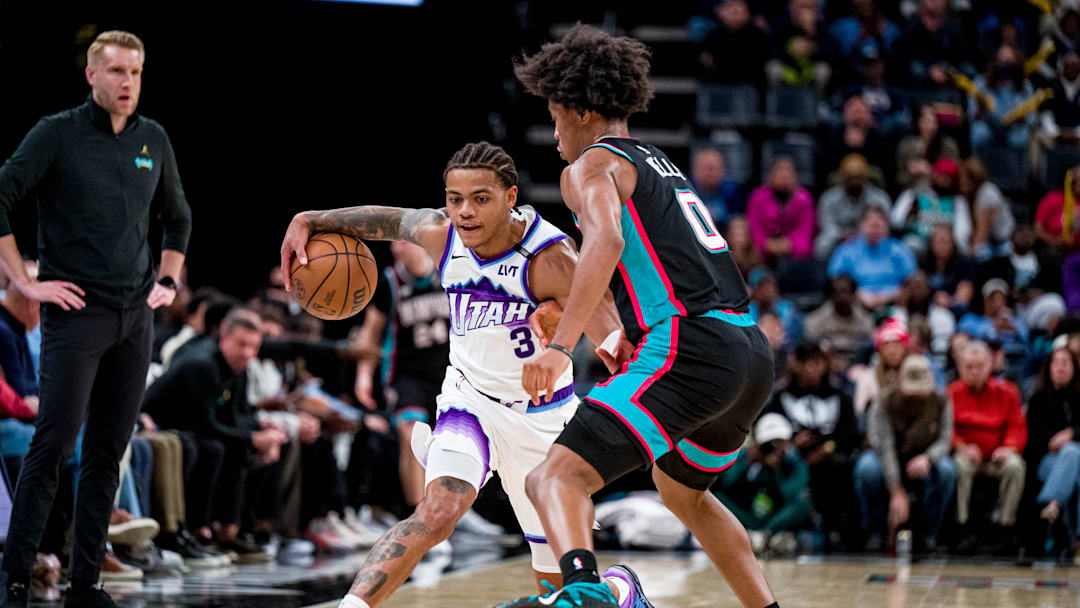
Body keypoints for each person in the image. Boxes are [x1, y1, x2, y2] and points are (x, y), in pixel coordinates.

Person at [280, 141, 627, 608]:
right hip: (470, 403)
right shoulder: (443, 235)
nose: (464, 211)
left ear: (510, 196)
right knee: (437, 512)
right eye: (454, 198)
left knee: (561, 589)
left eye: (480, 198)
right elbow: (388, 220)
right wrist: (313, 218)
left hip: (543, 421)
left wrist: (569, 329)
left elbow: (609, 330)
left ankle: (622, 593)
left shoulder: (550, 256)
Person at [505, 24, 778, 608]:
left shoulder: (589, 168)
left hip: (692, 345)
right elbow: (659, 262)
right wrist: (620, 334)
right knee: (682, 493)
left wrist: (563, 346)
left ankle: (586, 595)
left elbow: (602, 243)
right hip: (749, 353)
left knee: (554, 478)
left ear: (579, 109)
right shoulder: (657, 161)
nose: (554, 135)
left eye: (556, 117)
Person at [0, 31, 192, 608]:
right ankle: (14, 580)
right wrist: (22, 281)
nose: (127, 82)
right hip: (76, 316)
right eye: (115, 71)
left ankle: (87, 583)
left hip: (135, 319)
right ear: (91, 75)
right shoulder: (56, 133)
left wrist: (168, 281)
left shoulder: (152, 139)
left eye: (135, 72)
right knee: (54, 446)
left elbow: (178, 218)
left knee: (110, 450)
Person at [142, 309, 288, 560]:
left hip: (192, 430)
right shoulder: (203, 365)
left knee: (237, 446)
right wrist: (254, 438)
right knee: (214, 448)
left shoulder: (238, 367)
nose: (248, 353)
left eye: (253, 347)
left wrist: (264, 431)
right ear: (224, 338)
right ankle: (197, 529)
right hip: (159, 425)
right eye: (241, 344)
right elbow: (206, 425)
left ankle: (231, 530)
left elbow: (235, 416)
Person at [354, 240, 451, 511]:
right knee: (411, 434)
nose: (395, 250)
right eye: (393, 245)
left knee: (452, 441)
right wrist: (363, 375)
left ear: (420, 241)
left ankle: (452, 510)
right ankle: (419, 514)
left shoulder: (449, 272)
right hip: (406, 376)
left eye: (401, 243)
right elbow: (370, 333)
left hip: (449, 372)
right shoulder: (389, 282)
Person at [856, 354, 956, 551]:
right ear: (899, 381)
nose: (915, 395)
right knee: (866, 468)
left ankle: (930, 534)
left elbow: (945, 439)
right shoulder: (883, 401)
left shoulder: (942, 401)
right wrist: (896, 489)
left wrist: (929, 458)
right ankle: (874, 532)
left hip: (923, 458)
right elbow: (884, 446)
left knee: (946, 470)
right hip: (887, 456)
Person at [764, 343, 860, 549]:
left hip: (830, 457)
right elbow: (768, 428)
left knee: (841, 468)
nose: (810, 369)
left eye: (815, 363)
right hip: (791, 458)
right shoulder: (781, 396)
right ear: (796, 365)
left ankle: (838, 532)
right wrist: (792, 444)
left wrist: (827, 448)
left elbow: (850, 434)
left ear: (825, 364)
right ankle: (780, 528)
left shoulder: (840, 396)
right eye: (804, 363)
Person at [949, 340, 1027, 548]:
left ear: (990, 365)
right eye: (969, 367)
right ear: (960, 368)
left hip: (997, 455)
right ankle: (962, 527)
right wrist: (961, 445)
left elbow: (1017, 425)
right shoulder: (951, 393)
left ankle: (1005, 527)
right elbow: (947, 429)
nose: (974, 371)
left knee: (1015, 466)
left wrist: (1008, 447)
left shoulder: (1008, 391)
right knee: (958, 466)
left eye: (979, 366)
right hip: (967, 455)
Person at [712, 414, 812, 556]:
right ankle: (753, 534)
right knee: (716, 498)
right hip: (746, 514)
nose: (774, 448)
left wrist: (777, 471)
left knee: (803, 500)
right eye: (769, 443)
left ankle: (766, 534)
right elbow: (727, 486)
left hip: (775, 516)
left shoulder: (793, 462)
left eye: (779, 442)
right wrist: (750, 462)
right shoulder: (745, 457)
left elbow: (792, 494)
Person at [1027, 348, 1080, 541]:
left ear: (1075, 367)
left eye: (1066, 362)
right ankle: (1076, 540)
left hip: (1072, 464)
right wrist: (1064, 441)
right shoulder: (1037, 400)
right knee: (1073, 452)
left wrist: (1071, 433)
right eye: (1056, 362)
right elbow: (1037, 438)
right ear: (1048, 368)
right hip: (1047, 461)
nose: (1061, 367)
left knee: (1075, 461)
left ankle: (1053, 504)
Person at [828, 205, 917, 310]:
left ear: (886, 226)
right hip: (856, 303)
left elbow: (912, 278)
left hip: (895, 302)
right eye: (872, 225)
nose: (875, 230)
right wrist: (858, 294)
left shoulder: (899, 249)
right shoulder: (847, 249)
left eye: (878, 226)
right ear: (862, 225)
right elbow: (835, 277)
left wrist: (889, 296)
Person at [814, 154, 891, 259]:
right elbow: (827, 225)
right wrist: (842, 235)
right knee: (823, 243)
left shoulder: (879, 198)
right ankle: (825, 273)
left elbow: (884, 226)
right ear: (842, 178)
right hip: (839, 237)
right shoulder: (829, 198)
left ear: (866, 178)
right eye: (850, 178)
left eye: (858, 178)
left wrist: (861, 235)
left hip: (870, 237)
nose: (854, 182)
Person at [891, 158, 972, 256]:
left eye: (948, 178)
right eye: (941, 176)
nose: (944, 181)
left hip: (946, 247)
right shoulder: (914, 195)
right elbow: (895, 221)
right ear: (934, 175)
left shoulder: (957, 201)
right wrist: (909, 212)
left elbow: (963, 233)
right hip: (918, 244)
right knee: (910, 244)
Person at [746, 157, 816, 264]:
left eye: (788, 172)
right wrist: (766, 244)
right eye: (779, 172)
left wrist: (789, 243)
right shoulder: (758, 197)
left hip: (793, 250)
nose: (784, 176)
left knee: (805, 249)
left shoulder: (804, 199)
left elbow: (805, 229)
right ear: (770, 176)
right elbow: (754, 227)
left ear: (795, 177)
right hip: (763, 250)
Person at [804, 275, 873, 370]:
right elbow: (812, 340)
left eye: (845, 292)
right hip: (827, 363)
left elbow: (868, 343)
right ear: (831, 296)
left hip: (857, 362)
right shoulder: (817, 319)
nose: (841, 297)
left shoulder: (865, 319)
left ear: (853, 294)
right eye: (836, 292)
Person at [959, 158, 1015, 261]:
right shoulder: (969, 197)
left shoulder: (988, 192)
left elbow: (983, 232)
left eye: (967, 178)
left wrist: (969, 254)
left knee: (977, 256)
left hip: (1003, 243)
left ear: (976, 178)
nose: (963, 181)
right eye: (961, 177)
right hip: (990, 242)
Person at [896, 105, 960, 191]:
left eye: (934, 122)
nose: (930, 126)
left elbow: (952, 177)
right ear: (918, 122)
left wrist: (929, 170)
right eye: (926, 122)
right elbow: (900, 178)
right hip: (913, 191)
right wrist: (912, 173)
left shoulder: (949, 146)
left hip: (942, 192)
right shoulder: (906, 146)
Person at [689, 148, 741, 228]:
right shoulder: (684, 191)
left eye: (713, 168)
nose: (709, 173)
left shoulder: (733, 193)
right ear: (694, 169)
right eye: (705, 168)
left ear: (723, 170)